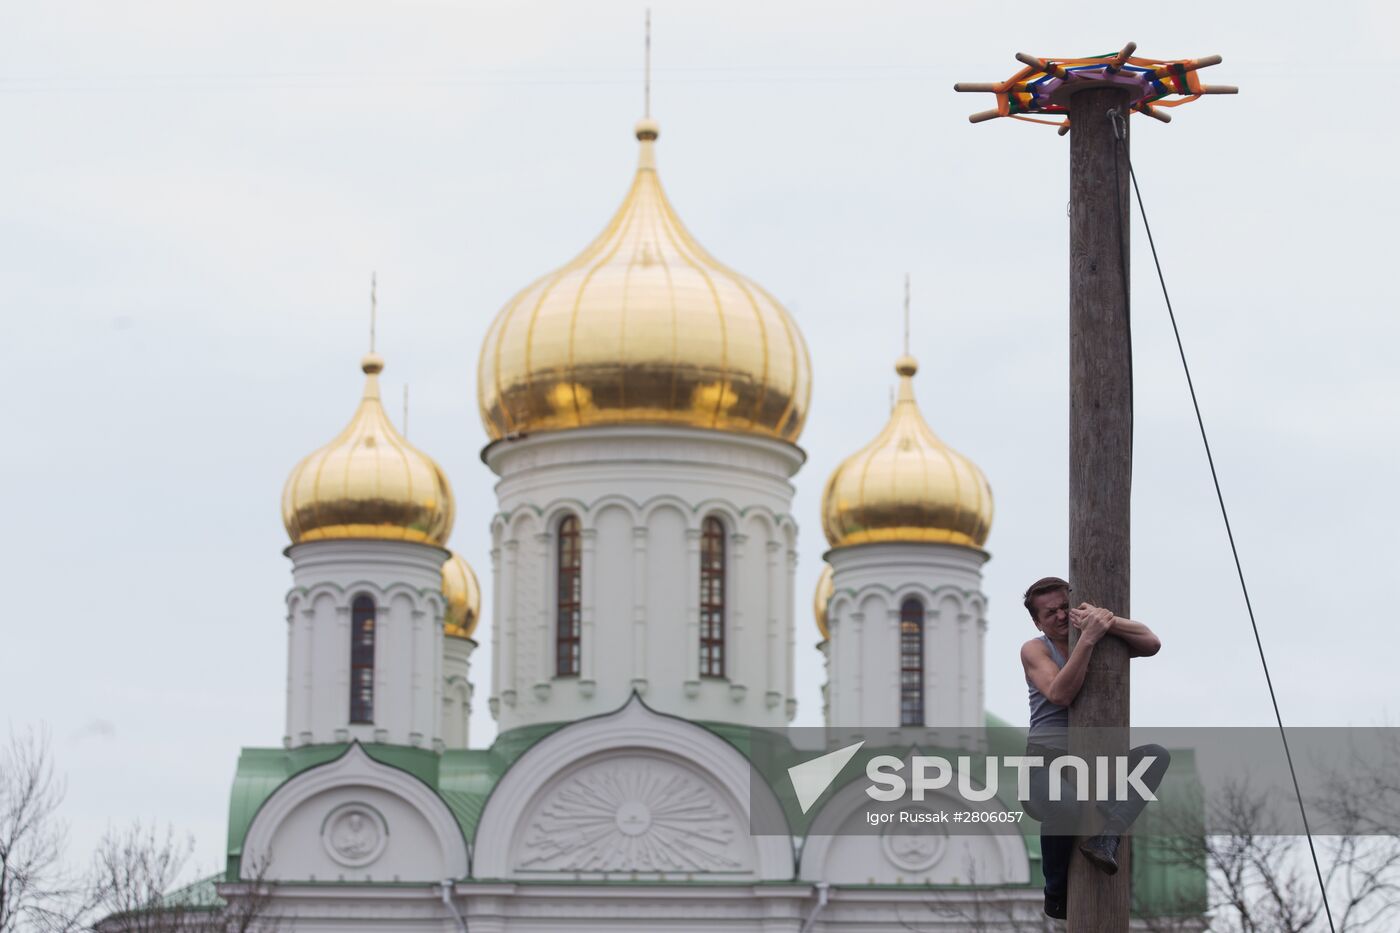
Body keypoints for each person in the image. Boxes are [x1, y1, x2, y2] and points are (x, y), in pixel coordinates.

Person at [1019, 576, 1169, 920]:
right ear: (1038, 621)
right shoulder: (1036, 649)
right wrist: (1087, 638)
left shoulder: (1099, 633)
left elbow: (1151, 643)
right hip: (1046, 765)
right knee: (1065, 805)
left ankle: (1106, 837)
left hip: (1098, 761)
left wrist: (1106, 621)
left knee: (1155, 756)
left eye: (1063, 607)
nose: (1059, 616)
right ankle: (1055, 891)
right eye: (1049, 613)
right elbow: (1060, 693)